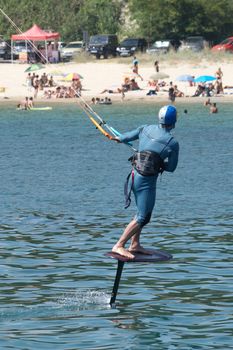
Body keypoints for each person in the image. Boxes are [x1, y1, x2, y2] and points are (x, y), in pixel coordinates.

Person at [111, 105, 179, 259]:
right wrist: (161, 163)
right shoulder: (172, 143)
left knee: (142, 213)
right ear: (174, 121)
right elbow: (172, 167)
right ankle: (119, 245)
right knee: (143, 216)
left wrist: (117, 138)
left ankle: (135, 244)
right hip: (146, 182)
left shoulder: (145, 128)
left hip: (134, 176)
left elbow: (125, 137)